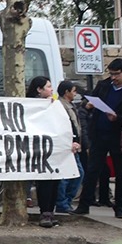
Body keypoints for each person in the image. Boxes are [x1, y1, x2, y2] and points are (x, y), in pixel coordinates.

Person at [74, 59, 122, 217]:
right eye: (111, 74)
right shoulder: (103, 85)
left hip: (117, 136)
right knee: (93, 170)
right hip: (99, 133)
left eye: (117, 74)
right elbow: (90, 100)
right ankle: (84, 204)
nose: (113, 78)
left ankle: (119, 207)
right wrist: (88, 105)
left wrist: (118, 118)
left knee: (120, 172)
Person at [28, 76, 60, 228]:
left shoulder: (54, 104)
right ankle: (45, 212)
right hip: (40, 149)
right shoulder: (32, 106)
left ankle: (50, 212)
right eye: (48, 87)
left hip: (54, 147)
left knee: (55, 181)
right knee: (45, 181)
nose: (51, 89)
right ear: (39, 90)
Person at [54, 80, 84, 214]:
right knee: (67, 175)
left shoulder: (69, 106)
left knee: (77, 174)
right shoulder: (60, 107)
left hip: (73, 145)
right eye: (74, 91)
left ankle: (65, 201)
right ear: (67, 92)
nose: (75, 94)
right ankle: (62, 202)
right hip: (67, 146)